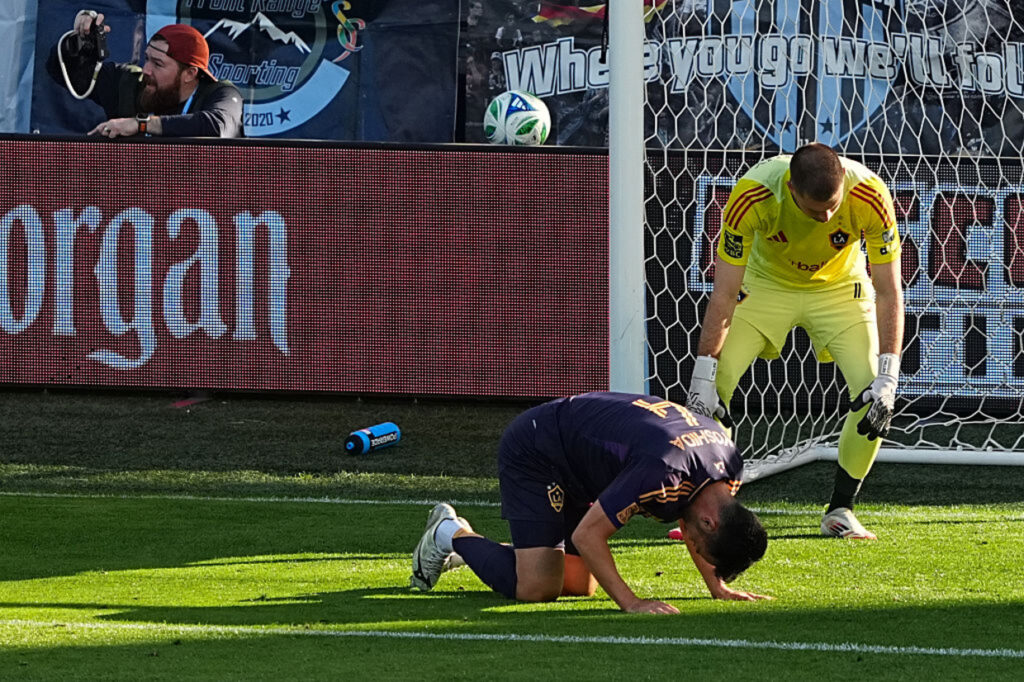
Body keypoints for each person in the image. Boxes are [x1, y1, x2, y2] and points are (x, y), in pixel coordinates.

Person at [686, 142, 904, 540]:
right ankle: (710, 511)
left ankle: (840, 510)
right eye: (814, 210)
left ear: (843, 181)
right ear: (790, 188)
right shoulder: (753, 194)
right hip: (764, 285)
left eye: (833, 207)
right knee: (714, 387)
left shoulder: (871, 194)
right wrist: (702, 374)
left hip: (840, 289)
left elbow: (889, 291)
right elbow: (724, 291)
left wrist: (889, 376)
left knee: (873, 391)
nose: (826, 218)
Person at [409, 391, 769, 613]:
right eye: (698, 545)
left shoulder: (727, 469)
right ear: (709, 523)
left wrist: (717, 587)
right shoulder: (663, 471)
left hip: (580, 460)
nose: (690, 544)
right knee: (537, 588)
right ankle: (448, 533)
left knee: (580, 584)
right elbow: (587, 535)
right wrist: (631, 602)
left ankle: (490, 553)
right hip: (538, 450)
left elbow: (696, 519)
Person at [47, 10, 244, 138]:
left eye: (158, 64)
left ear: (190, 74)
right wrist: (79, 42)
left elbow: (218, 126)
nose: (147, 69)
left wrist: (140, 125)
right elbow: (61, 71)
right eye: (147, 58)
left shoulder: (220, 93)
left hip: (197, 188)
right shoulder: (128, 83)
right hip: (133, 189)